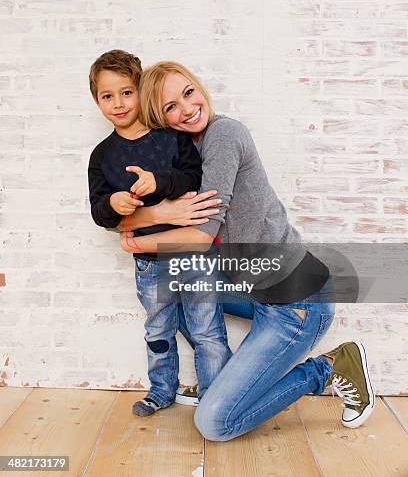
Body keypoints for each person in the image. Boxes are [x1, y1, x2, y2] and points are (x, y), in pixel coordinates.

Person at [118, 60, 375, 437]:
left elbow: (201, 237)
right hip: (254, 288)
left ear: (199, 87)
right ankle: (220, 383)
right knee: (178, 293)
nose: (187, 109)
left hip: (297, 304)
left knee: (215, 424)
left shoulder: (223, 136)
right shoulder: (186, 152)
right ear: (161, 118)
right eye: (171, 107)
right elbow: (138, 215)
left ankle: (329, 367)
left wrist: (137, 242)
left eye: (188, 93)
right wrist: (153, 213)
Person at [87, 50, 231, 417]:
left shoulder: (172, 138)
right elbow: (99, 211)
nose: (118, 103)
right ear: (96, 100)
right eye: (107, 96)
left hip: (193, 255)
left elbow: (192, 178)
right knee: (158, 331)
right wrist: (115, 204)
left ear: (141, 92)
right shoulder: (101, 156)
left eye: (126, 92)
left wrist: (158, 183)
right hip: (150, 265)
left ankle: (214, 399)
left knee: (206, 331)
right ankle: (162, 390)